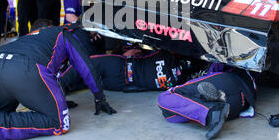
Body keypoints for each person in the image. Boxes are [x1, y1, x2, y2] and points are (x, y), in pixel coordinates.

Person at [157, 63, 257, 140]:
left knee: (165, 98)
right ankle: (211, 107)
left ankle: (211, 112)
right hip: (242, 102)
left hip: (231, 95)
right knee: (170, 113)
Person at [58, 47, 187, 94]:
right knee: (88, 80)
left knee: (87, 65)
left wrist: (129, 54)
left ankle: (59, 86)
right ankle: (61, 87)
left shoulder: (165, 54)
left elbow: (139, 51)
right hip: (123, 84)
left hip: (122, 67)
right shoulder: (178, 83)